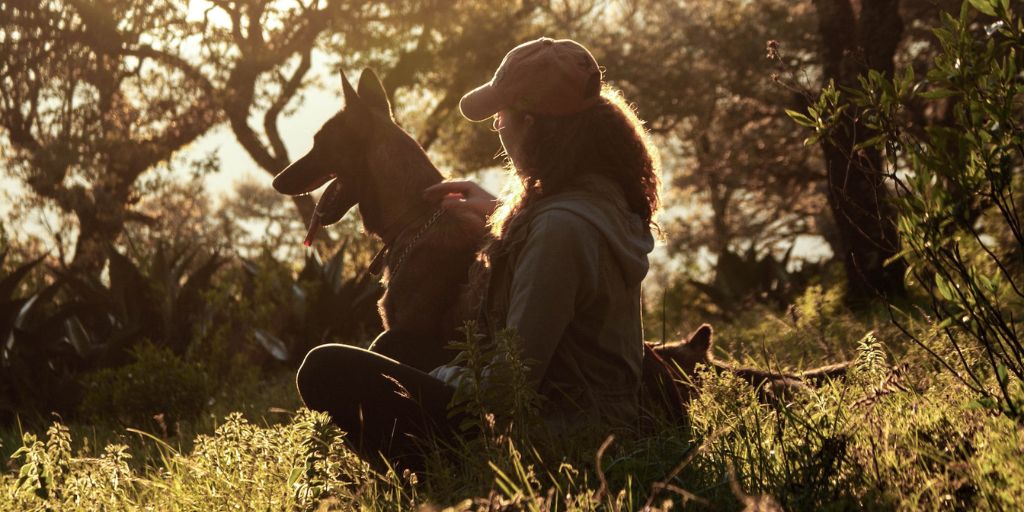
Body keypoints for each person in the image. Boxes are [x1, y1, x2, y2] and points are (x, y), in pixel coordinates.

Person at [295, 37, 659, 468]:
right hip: (588, 409)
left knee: (325, 368)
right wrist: (500, 212)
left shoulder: (559, 233)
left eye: (501, 118)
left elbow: (510, 384)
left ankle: (440, 477)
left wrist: (433, 379)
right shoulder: (595, 198)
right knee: (399, 345)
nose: (499, 129)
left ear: (531, 124)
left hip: (566, 437)